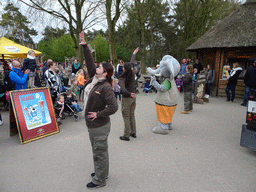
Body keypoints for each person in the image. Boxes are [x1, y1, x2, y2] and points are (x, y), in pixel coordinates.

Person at [79, 31, 118, 190]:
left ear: (106, 72)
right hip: (93, 125)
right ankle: (102, 172)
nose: (97, 67)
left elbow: (114, 107)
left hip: (99, 125)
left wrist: (98, 114)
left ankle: (100, 180)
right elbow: (90, 63)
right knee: (99, 151)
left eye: (100, 67)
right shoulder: (94, 79)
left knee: (99, 152)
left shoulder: (105, 87)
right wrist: (85, 47)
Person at [118, 48, 139, 141]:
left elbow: (122, 89)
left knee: (126, 117)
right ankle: (133, 132)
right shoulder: (131, 74)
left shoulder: (122, 78)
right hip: (133, 98)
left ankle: (126, 135)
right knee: (132, 115)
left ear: (124, 68)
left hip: (127, 98)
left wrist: (129, 93)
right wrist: (133, 54)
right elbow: (132, 63)